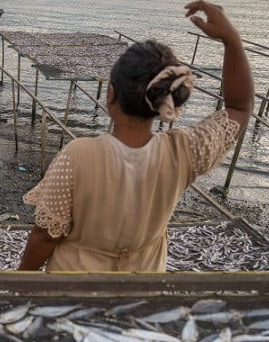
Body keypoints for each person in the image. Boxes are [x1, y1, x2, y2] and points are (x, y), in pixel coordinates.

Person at [17, 1, 253, 272]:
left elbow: (47, 235)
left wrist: (21, 279)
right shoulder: (186, 151)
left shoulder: (77, 154)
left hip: (74, 285)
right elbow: (239, 108)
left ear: (111, 94)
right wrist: (232, 40)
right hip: (144, 283)